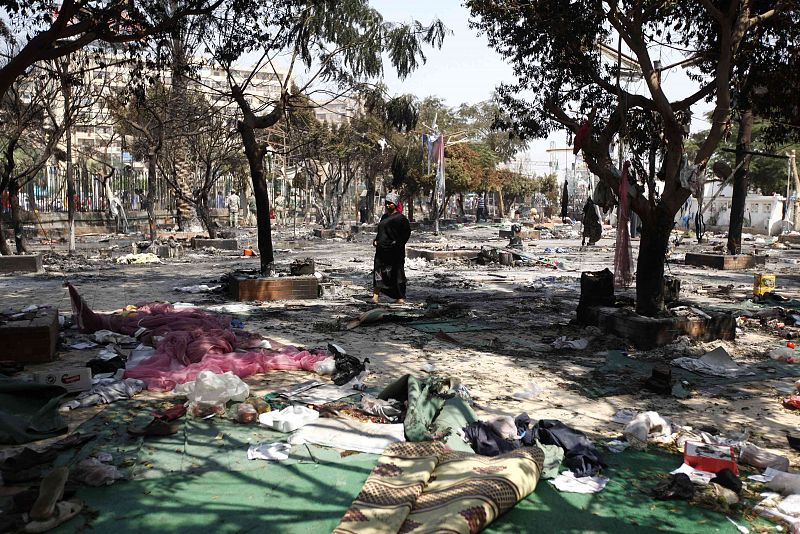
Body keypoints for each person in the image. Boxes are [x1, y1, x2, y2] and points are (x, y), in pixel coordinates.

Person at [372, 192, 411, 304]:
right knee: (378, 272)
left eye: (390, 203)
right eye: (386, 203)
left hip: (395, 252)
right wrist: (376, 240)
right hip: (381, 251)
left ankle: (400, 297)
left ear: (395, 204)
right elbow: (381, 231)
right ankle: (375, 297)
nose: (388, 205)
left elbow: (406, 234)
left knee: (397, 274)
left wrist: (397, 244)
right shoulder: (384, 217)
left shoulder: (401, 219)